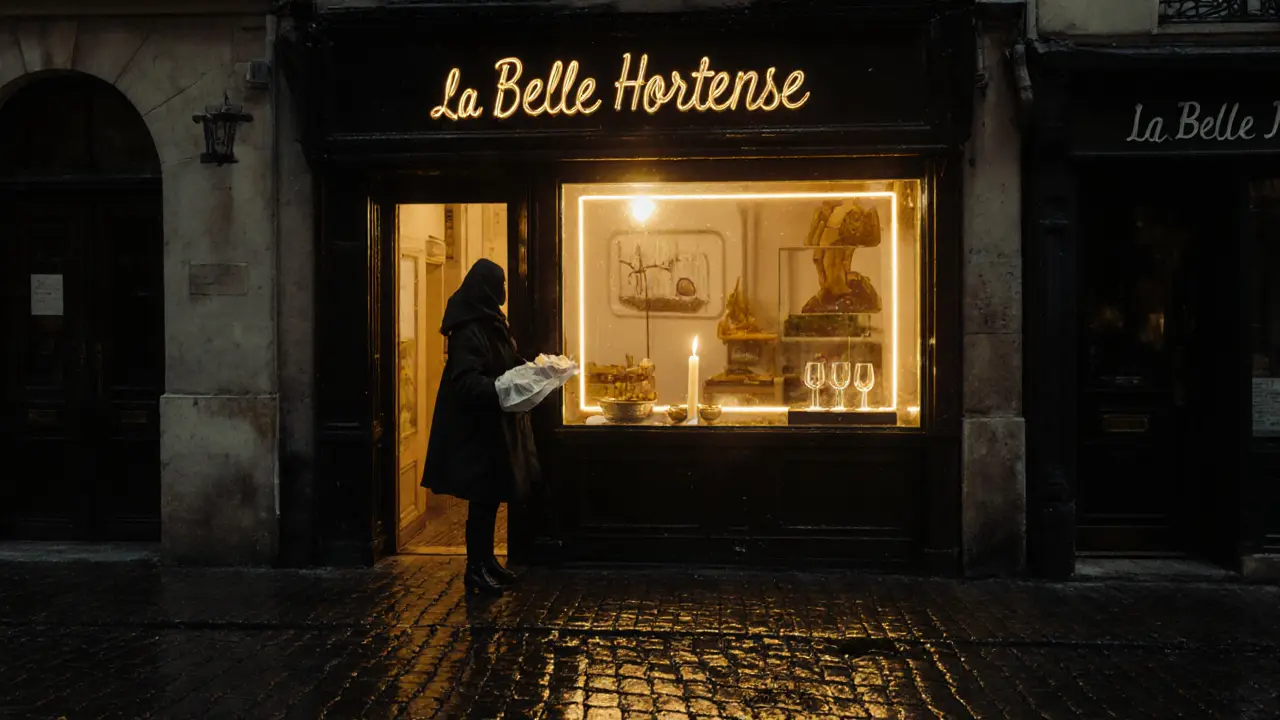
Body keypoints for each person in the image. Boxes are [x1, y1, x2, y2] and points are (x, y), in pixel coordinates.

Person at [421, 259, 539, 596]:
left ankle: (486, 561)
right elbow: (467, 383)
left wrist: (532, 371)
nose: (504, 292)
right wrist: (504, 388)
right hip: (476, 431)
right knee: (483, 501)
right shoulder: (469, 329)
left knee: (489, 500)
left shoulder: (490, 322)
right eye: (499, 284)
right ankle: (475, 570)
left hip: (492, 428)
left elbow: (506, 361)